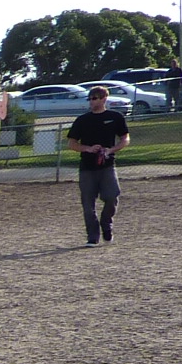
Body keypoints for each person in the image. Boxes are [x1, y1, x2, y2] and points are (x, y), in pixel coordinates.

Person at [66, 85, 130, 245]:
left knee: (112, 196)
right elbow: (72, 143)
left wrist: (111, 150)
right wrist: (87, 149)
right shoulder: (83, 120)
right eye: (90, 98)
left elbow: (125, 139)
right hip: (87, 167)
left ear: (104, 99)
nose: (91, 101)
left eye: (95, 98)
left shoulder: (115, 117)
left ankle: (106, 224)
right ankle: (92, 237)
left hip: (107, 165)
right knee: (88, 204)